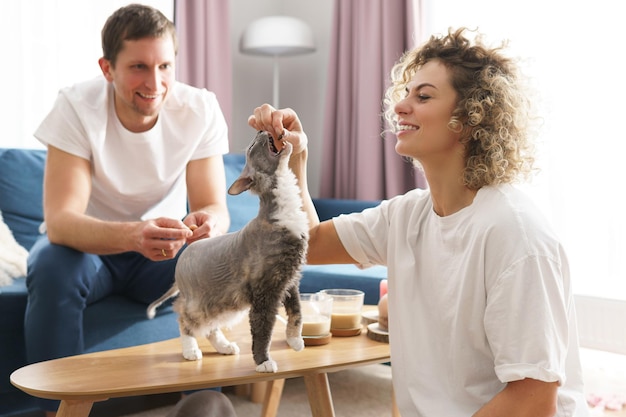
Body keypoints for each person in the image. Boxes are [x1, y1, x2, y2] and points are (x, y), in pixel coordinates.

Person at [249, 27, 590, 416]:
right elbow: (308, 242)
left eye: (423, 96)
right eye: (405, 93)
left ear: (472, 116)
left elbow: (532, 400)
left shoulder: (515, 234)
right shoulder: (407, 215)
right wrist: (296, 157)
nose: (400, 106)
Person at [25, 4, 230, 415]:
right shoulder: (75, 107)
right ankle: (60, 409)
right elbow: (62, 222)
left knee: (216, 260)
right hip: (90, 252)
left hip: (162, 254)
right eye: (138, 66)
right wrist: (135, 235)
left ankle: (204, 405)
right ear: (107, 68)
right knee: (49, 263)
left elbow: (214, 207)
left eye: (165, 66)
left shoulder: (199, 109)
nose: (154, 82)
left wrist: (208, 225)